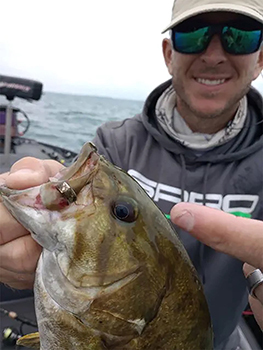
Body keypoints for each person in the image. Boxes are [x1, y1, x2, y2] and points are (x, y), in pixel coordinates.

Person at [0, 0, 263, 348]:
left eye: (239, 36)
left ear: (260, 58)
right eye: (193, 35)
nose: (213, 54)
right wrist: (20, 250)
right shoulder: (115, 144)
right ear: (169, 53)